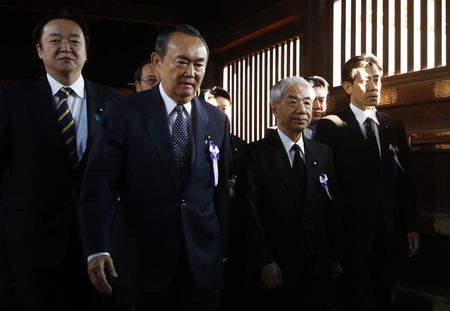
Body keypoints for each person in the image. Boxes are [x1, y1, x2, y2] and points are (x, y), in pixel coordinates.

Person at [79, 24, 232, 311]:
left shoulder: (216, 119)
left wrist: (221, 249)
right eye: (182, 61)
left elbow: (220, 189)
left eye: (199, 64)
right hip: (142, 262)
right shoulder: (125, 112)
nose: (191, 72)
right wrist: (97, 246)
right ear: (157, 62)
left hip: (202, 263)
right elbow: (100, 182)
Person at [0, 8, 121, 311]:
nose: (65, 47)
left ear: (86, 51)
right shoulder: (12, 100)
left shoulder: (114, 103)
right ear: (40, 50)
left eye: (74, 41)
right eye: (55, 40)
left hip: (96, 244)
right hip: (31, 240)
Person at [315, 53, 420, 311]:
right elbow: (324, 186)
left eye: (377, 79)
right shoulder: (332, 126)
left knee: (385, 296)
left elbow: (405, 181)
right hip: (350, 235)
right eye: (365, 81)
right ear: (348, 87)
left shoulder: (393, 126)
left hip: (389, 233)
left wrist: (411, 225)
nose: (373, 86)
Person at [241, 76, 342, 311]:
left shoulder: (322, 153)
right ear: (275, 108)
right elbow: (248, 213)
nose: (303, 109)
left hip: (317, 263)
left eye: (308, 102)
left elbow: (332, 205)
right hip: (277, 264)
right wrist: (264, 260)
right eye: (293, 102)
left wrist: (336, 255)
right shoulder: (255, 154)